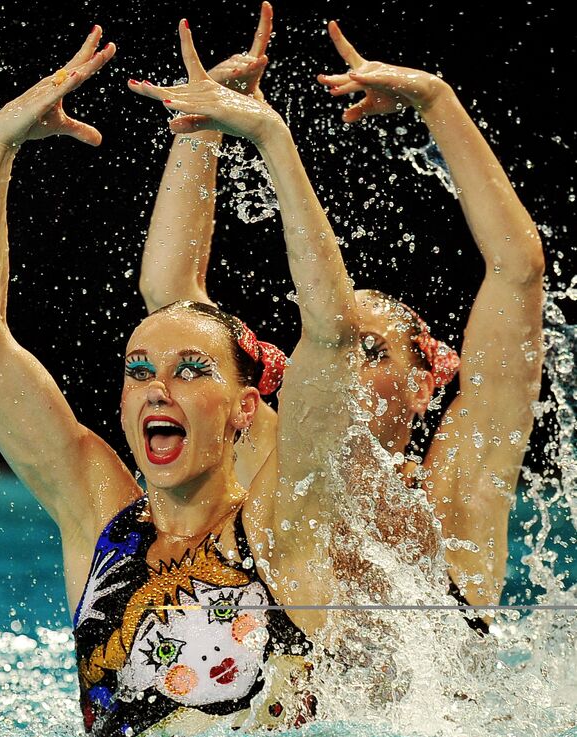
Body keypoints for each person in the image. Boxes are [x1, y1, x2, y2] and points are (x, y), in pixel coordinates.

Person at [0, 22, 441, 737]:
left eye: (189, 370)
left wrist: (271, 139)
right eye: (138, 371)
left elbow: (329, 334)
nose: (156, 389)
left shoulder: (282, 526)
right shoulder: (96, 518)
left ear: (245, 407)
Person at [139, 5, 545, 625]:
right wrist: (206, 121)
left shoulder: (457, 494)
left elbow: (517, 270)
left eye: (374, 351)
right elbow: (172, 298)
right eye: (338, 344)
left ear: (419, 388)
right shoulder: (267, 459)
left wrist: (438, 102)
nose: (344, 363)